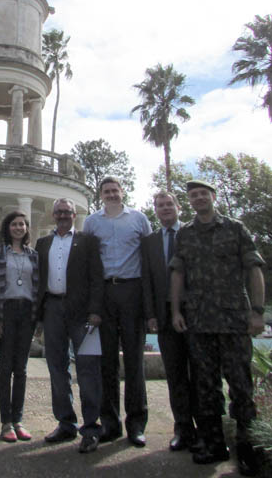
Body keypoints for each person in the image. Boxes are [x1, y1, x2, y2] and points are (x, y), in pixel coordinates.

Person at [170, 180, 265, 476]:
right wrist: (175, 310)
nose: (198, 198)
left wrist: (258, 312)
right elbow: (178, 274)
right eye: (193, 195)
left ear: (213, 196)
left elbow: (254, 269)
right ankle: (213, 444)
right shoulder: (185, 233)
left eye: (202, 194)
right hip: (199, 320)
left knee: (241, 386)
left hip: (233, 320)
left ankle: (248, 449)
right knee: (206, 387)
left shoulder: (235, 228)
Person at [83, 176, 152, 447]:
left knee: (134, 360)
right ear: (101, 195)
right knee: (106, 362)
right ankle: (110, 424)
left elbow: (147, 260)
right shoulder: (92, 222)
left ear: (122, 192)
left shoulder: (138, 219)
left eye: (115, 190)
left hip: (132, 291)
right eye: (107, 191)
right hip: (104, 293)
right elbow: (88, 263)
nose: (111, 194)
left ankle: (136, 424)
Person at [36, 198, 104, 454]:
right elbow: (39, 280)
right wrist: (39, 318)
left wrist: (96, 311)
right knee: (56, 367)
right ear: (53, 215)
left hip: (82, 313)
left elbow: (97, 277)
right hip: (52, 309)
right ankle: (65, 423)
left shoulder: (87, 241)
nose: (63, 215)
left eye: (67, 211)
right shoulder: (43, 243)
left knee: (87, 369)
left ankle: (90, 428)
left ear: (75, 215)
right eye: (59, 212)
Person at [141, 191, 198, 451]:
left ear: (178, 207)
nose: (164, 209)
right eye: (159, 205)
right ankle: (183, 429)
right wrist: (151, 314)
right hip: (164, 316)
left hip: (196, 313)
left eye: (168, 204)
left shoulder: (193, 233)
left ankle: (208, 430)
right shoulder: (151, 241)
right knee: (175, 375)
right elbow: (148, 280)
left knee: (202, 374)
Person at [0, 210, 39, 442]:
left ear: (26, 229)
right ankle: (5, 422)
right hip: (6, 311)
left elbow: (38, 287)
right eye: (14, 224)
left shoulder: (33, 256)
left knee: (22, 369)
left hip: (27, 312)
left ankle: (18, 419)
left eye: (22, 224)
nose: (18, 228)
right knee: (5, 367)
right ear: (7, 228)